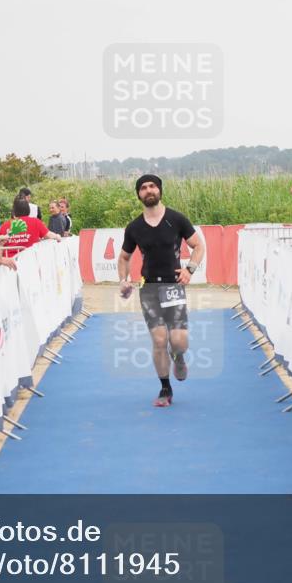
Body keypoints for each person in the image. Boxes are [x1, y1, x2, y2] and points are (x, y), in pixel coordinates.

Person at [118, 174, 205, 408]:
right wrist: (124, 280)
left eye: (152, 186)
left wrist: (190, 270)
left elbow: (198, 246)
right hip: (149, 289)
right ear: (139, 194)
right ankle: (165, 387)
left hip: (173, 287)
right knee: (159, 339)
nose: (149, 191)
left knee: (178, 342)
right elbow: (124, 257)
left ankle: (178, 357)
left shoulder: (176, 219)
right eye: (144, 188)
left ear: (160, 190)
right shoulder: (134, 227)